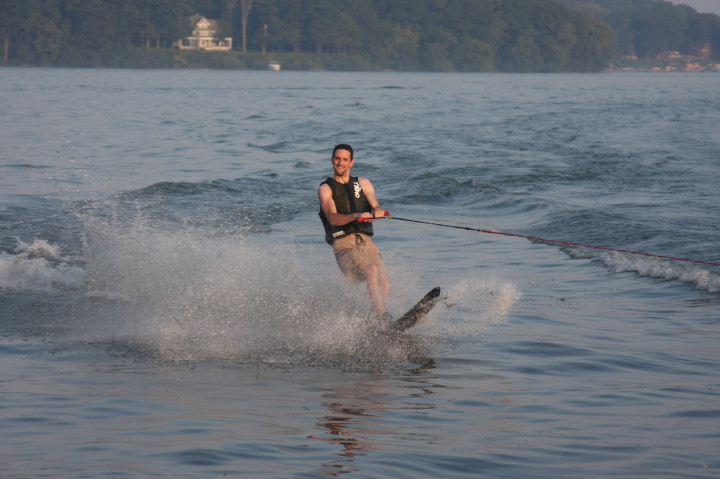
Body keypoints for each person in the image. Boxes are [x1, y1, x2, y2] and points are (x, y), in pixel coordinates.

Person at [318, 144, 391, 327]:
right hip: (343, 243)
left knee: (385, 284)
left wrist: (377, 211)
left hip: (365, 241)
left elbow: (375, 204)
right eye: (337, 159)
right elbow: (333, 219)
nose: (340, 163)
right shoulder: (326, 188)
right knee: (371, 271)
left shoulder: (364, 183)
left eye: (344, 159)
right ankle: (380, 320)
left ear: (351, 162)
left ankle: (375, 321)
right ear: (332, 160)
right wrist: (357, 215)